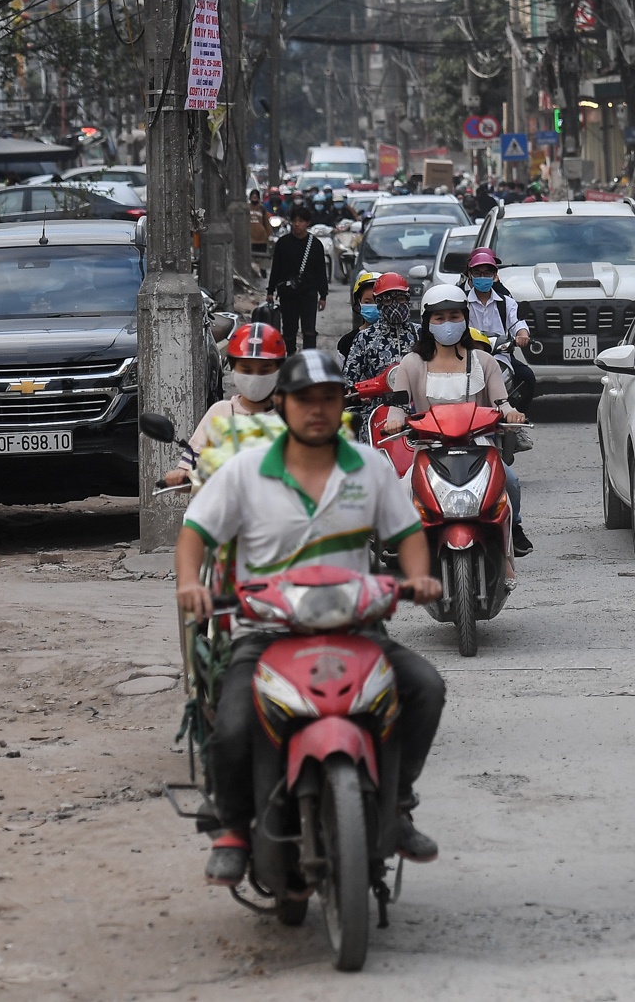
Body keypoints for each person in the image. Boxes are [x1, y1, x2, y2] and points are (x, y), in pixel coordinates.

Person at [176, 347, 446, 886]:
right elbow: (196, 534)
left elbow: (407, 535)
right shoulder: (247, 471)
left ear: (342, 403)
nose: (317, 410)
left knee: (425, 686)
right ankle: (231, 828)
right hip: (266, 632)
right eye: (305, 399)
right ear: (283, 404)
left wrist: (420, 577)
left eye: (328, 398)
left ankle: (397, 801)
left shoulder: (368, 467)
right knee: (231, 724)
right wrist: (190, 584)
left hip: (357, 628)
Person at [384, 285, 532, 571]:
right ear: (427, 322)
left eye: (454, 316)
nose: (447, 324)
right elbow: (398, 406)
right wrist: (395, 419)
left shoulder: (484, 361)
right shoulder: (412, 364)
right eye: (439, 318)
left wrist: (511, 413)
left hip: (478, 447)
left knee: (510, 483)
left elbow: (502, 401)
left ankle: (510, 542)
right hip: (430, 448)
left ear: (465, 319)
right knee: (402, 492)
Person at [162, 323, 287, 487]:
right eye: (246, 370)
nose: (255, 378)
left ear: (279, 370)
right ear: (233, 368)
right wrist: (181, 477)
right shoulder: (220, 412)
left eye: (264, 371)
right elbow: (190, 471)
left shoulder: (289, 416)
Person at [462, 247, 535, 412]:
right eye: (478, 273)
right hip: (469, 358)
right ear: (470, 275)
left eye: (487, 273)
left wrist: (522, 335)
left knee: (527, 378)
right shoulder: (461, 301)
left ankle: (517, 421)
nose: (483, 277)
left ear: (495, 275)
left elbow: (517, 322)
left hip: (501, 356)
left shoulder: (506, 301)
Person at [344, 272, 418, 427]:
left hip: (417, 411)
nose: (395, 305)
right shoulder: (364, 338)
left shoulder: (420, 334)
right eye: (387, 299)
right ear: (379, 303)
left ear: (408, 300)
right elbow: (348, 381)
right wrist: (360, 394)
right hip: (376, 413)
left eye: (400, 299)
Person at [266, 202, 328, 348]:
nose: (297, 224)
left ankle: (309, 358)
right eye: (295, 221)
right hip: (288, 293)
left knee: (309, 329)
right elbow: (276, 268)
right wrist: (270, 290)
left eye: (301, 221)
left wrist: (323, 295)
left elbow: (321, 271)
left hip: (309, 292)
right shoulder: (283, 243)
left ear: (307, 223)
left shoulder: (315, 245)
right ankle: (290, 356)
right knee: (289, 328)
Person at [336, 270, 382, 357]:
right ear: (358, 303)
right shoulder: (347, 342)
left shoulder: (399, 338)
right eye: (367, 302)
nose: (373, 306)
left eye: (378, 301)